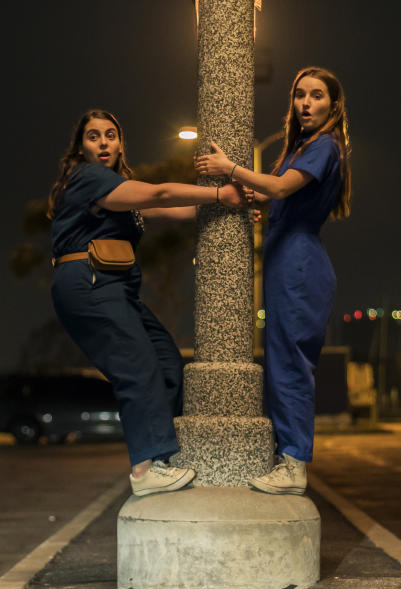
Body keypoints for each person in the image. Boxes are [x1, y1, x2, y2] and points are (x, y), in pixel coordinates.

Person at [48, 109, 248, 497]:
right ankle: (144, 471)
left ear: (121, 142)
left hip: (117, 287)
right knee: (137, 365)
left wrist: (231, 206)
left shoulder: (120, 186)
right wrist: (221, 192)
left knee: (168, 363)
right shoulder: (88, 178)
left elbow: (176, 209)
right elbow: (158, 193)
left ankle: (162, 455)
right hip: (88, 281)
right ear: (81, 148)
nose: (103, 142)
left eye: (110, 135)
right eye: (93, 137)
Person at [196, 67, 352, 495]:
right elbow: (276, 194)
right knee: (282, 363)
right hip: (287, 257)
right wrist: (253, 195)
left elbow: (282, 188)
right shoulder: (303, 146)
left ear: (333, 105)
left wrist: (232, 168)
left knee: (291, 366)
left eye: (316, 95)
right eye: (299, 95)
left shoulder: (324, 146)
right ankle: (288, 455)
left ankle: (295, 463)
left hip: (300, 263)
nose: (305, 103)